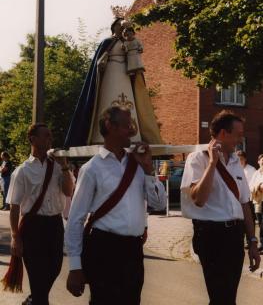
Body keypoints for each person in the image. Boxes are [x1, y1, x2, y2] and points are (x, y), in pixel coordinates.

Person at [65, 105, 166, 305]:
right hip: (103, 248)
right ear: (110, 126)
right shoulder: (92, 168)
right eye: (127, 126)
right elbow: (76, 218)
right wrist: (75, 266)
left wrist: (147, 169)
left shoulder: (138, 164)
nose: (132, 131)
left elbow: (159, 203)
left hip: (133, 250)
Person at [180, 110, 260, 305]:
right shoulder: (197, 159)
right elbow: (199, 199)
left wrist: (252, 242)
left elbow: (244, 204)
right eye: (238, 134)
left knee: (228, 297)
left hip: (234, 236)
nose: (240, 140)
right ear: (223, 133)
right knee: (220, 297)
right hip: (211, 235)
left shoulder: (235, 162)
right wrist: (212, 163)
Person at [64, 17, 162, 148]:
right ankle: (100, 136)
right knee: (107, 101)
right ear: (113, 27)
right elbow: (98, 62)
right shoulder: (107, 42)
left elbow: (136, 51)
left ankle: (133, 135)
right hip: (110, 75)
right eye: (118, 25)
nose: (121, 28)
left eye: (122, 26)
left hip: (125, 75)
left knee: (129, 102)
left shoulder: (127, 42)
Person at [6, 123, 74, 305]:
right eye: (45, 136)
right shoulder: (22, 171)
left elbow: (68, 192)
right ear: (32, 139)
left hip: (55, 225)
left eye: (50, 136)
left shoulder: (59, 166)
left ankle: (33, 300)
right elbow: (14, 207)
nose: (50, 139)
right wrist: (15, 236)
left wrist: (65, 167)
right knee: (37, 277)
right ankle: (37, 299)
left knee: (55, 268)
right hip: (32, 227)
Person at [250, 154, 263, 252]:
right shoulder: (256, 173)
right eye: (261, 161)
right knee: (260, 223)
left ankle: (261, 243)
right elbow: (251, 186)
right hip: (258, 201)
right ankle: (261, 242)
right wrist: (258, 186)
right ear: (258, 162)